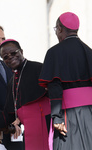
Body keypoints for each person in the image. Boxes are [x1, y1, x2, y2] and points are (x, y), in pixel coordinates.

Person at [0, 39, 51, 150]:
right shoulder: (12, 81)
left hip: (44, 123)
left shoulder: (38, 68)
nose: (10, 57)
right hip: (29, 129)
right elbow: (8, 114)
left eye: (13, 53)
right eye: (5, 57)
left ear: (21, 51)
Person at [39, 12, 92, 150]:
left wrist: (57, 117)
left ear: (60, 29)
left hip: (68, 114)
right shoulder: (89, 51)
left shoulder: (54, 52)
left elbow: (55, 85)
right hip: (89, 114)